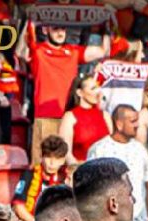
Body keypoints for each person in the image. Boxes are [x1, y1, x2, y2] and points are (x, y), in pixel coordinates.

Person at [19, 23, 110, 165]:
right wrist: (29, 22)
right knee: (42, 165)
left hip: (70, 118)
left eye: (63, 28)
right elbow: (21, 53)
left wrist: (106, 25)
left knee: (67, 165)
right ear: (46, 29)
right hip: (46, 117)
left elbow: (102, 51)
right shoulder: (38, 50)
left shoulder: (73, 51)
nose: (60, 32)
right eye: (55, 28)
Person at [87, 105, 148, 221]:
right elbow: (91, 189)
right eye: (132, 121)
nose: (137, 125)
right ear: (119, 124)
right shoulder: (100, 150)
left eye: (137, 120)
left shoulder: (140, 149)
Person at [12, 136, 70, 221]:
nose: (52, 163)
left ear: (63, 160)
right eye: (48, 157)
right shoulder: (30, 174)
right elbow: (18, 206)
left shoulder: (65, 179)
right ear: (41, 157)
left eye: (57, 159)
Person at [58, 73, 112, 165]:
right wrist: (78, 167)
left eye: (98, 87)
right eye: (93, 88)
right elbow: (66, 152)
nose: (97, 92)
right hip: (81, 167)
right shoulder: (70, 117)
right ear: (79, 93)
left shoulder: (105, 115)